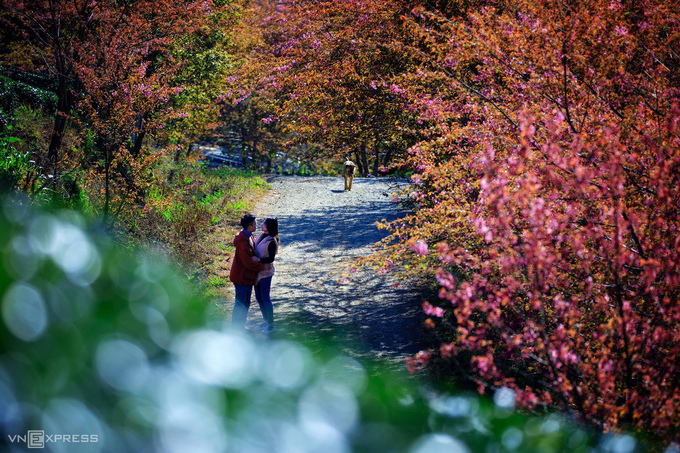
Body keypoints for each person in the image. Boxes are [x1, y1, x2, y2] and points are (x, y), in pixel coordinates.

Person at [230, 214, 269, 328]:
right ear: (250, 227)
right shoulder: (243, 243)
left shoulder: (248, 236)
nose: (257, 225)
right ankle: (236, 329)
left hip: (246, 277)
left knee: (245, 303)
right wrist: (262, 266)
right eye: (255, 224)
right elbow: (248, 263)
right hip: (241, 277)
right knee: (240, 304)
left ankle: (240, 326)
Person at [252, 218, 279, 334]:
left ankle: (271, 324)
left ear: (269, 227)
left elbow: (271, 258)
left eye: (264, 224)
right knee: (258, 297)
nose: (262, 225)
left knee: (265, 297)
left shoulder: (272, 241)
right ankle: (265, 320)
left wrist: (258, 259)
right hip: (258, 272)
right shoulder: (262, 235)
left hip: (266, 273)